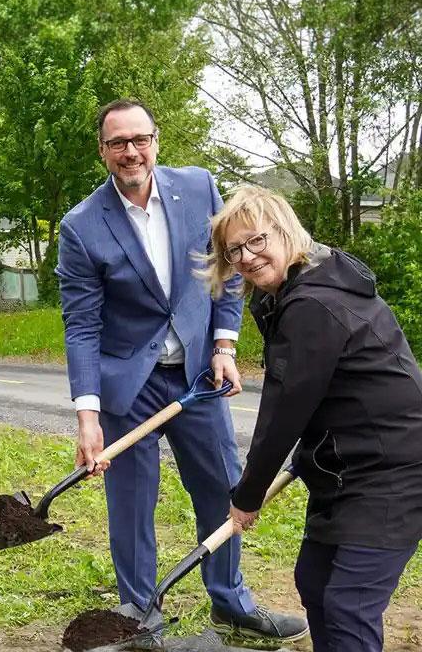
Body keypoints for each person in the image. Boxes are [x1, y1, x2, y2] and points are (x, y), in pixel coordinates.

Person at [55, 99, 306, 647]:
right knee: (132, 505)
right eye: (118, 142)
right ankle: (141, 616)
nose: (131, 151)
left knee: (223, 487)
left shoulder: (197, 188)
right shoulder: (81, 226)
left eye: (139, 138)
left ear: (156, 140)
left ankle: (231, 603)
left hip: (197, 379)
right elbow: (81, 326)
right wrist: (88, 415)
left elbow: (231, 268)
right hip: (128, 386)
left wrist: (223, 342)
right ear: (102, 151)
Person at [202, 186, 422, 652]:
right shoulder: (288, 293)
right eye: (233, 250)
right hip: (346, 469)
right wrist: (309, 457)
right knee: (315, 581)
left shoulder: (312, 305)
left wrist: (248, 493)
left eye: (257, 240)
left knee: (349, 604)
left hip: (395, 471)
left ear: (284, 232)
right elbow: (323, 395)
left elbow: (285, 407)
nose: (246, 256)